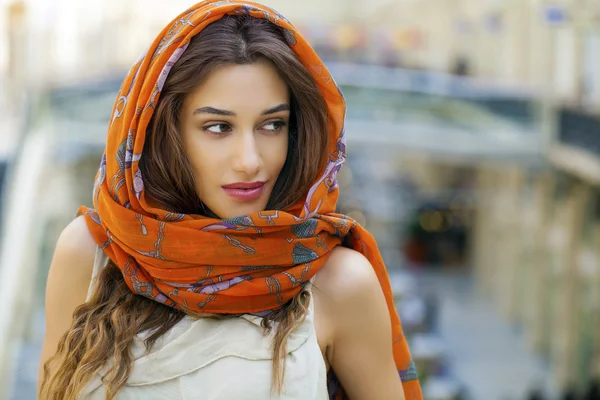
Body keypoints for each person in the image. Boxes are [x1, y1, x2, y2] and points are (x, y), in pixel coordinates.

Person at [38, 1, 422, 399]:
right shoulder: (90, 254)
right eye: (218, 127)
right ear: (164, 133)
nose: (251, 161)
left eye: (272, 125)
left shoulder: (338, 283)